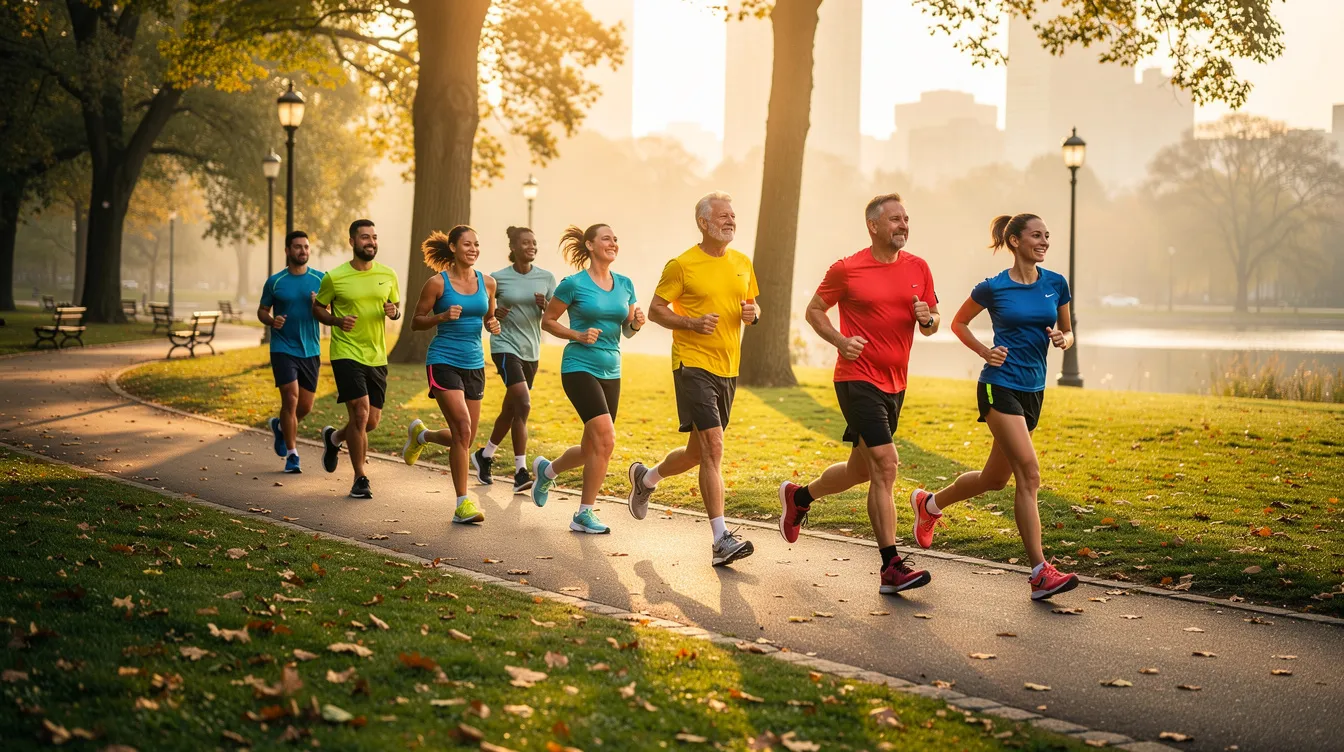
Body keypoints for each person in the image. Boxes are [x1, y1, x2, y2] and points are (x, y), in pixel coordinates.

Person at [908, 213, 1079, 601]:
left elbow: (1068, 330)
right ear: (1015, 241)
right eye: (1037, 235)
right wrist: (986, 351)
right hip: (998, 387)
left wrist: (1063, 339)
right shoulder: (993, 287)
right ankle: (1039, 572)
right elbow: (958, 323)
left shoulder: (1056, 284)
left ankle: (930, 504)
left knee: (994, 479)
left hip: (1033, 391)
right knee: (1029, 474)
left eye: (1047, 236)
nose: (1045, 241)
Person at [777, 194, 940, 594]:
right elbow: (815, 310)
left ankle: (800, 497)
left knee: (861, 470)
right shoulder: (847, 269)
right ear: (874, 225)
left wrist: (929, 319)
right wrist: (838, 340)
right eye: (895, 220)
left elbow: (933, 322)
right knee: (886, 465)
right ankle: (891, 566)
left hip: (895, 383)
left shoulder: (919, 267)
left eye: (906, 219)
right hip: (857, 377)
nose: (903, 225)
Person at [626, 192, 760, 566]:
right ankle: (720, 540)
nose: (731, 221)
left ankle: (646, 478)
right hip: (692, 363)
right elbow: (655, 310)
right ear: (703, 222)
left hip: (728, 366)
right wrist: (691, 323)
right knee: (714, 447)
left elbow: (751, 305)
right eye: (723, 216)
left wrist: (754, 313)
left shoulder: (743, 262)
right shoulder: (682, 265)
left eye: (733, 215)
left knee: (696, 452)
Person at [530, 224, 643, 535]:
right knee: (606, 440)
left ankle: (546, 470)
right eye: (606, 238)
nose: (613, 243)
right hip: (579, 366)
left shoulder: (625, 284)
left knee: (594, 447)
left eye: (616, 239)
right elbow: (548, 321)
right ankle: (584, 513)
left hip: (612, 369)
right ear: (590, 245)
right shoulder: (573, 284)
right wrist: (576, 334)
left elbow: (627, 332)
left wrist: (636, 324)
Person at [401, 226, 501, 525]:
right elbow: (416, 322)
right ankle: (462, 504)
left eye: (477, 244)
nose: (473, 249)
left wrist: (493, 325)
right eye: (467, 244)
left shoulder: (489, 283)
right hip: (443, 359)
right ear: (454, 248)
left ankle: (422, 435)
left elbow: (489, 316)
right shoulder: (437, 284)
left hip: (475, 363)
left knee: (465, 437)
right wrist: (441, 317)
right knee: (462, 426)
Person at [312, 219, 401, 499]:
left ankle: (335, 438)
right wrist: (337, 321)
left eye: (374, 237)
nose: (371, 242)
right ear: (352, 242)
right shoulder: (334, 277)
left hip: (376, 354)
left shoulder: (388, 274)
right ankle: (360, 478)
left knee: (371, 421)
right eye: (364, 237)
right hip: (346, 352)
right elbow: (318, 308)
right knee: (360, 413)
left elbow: (396, 307)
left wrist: (393, 312)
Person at [472, 226, 556, 493]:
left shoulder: (547, 277)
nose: (531, 246)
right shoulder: (497, 279)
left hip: (532, 350)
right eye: (525, 243)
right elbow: (485, 316)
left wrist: (546, 307)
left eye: (534, 242)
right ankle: (520, 471)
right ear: (513, 248)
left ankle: (484, 456)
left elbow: (556, 317)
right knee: (523, 403)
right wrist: (495, 316)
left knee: (511, 410)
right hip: (505, 347)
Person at [258, 230, 325, 474]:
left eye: (306, 247)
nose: (303, 251)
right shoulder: (275, 281)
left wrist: (320, 303)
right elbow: (262, 310)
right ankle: (292, 454)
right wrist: (270, 320)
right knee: (291, 397)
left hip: (311, 348)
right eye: (297, 247)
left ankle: (280, 426)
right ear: (287, 251)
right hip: (283, 347)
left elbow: (332, 309)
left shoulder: (320, 279)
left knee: (305, 407)